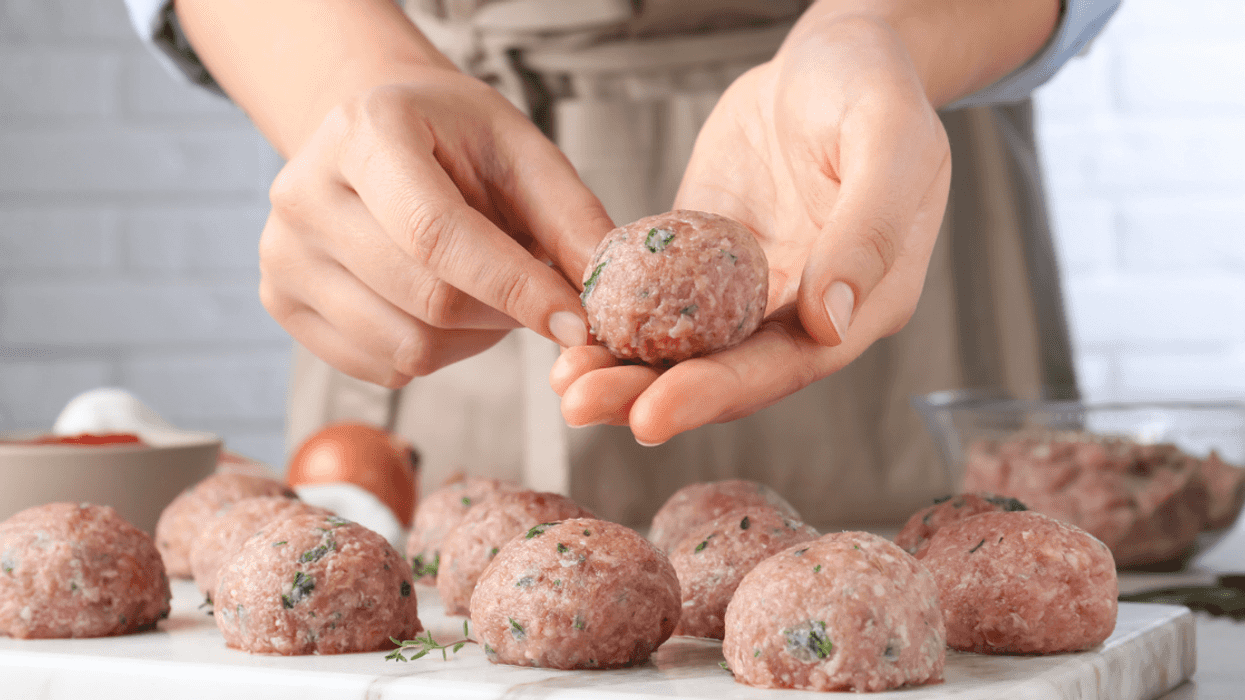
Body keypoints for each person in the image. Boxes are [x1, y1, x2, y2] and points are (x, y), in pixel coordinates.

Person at [126, 0, 1121, 530]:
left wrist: (876, 31)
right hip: (450, 179)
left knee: (962, 603)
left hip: (856, 167)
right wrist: (352, 85)